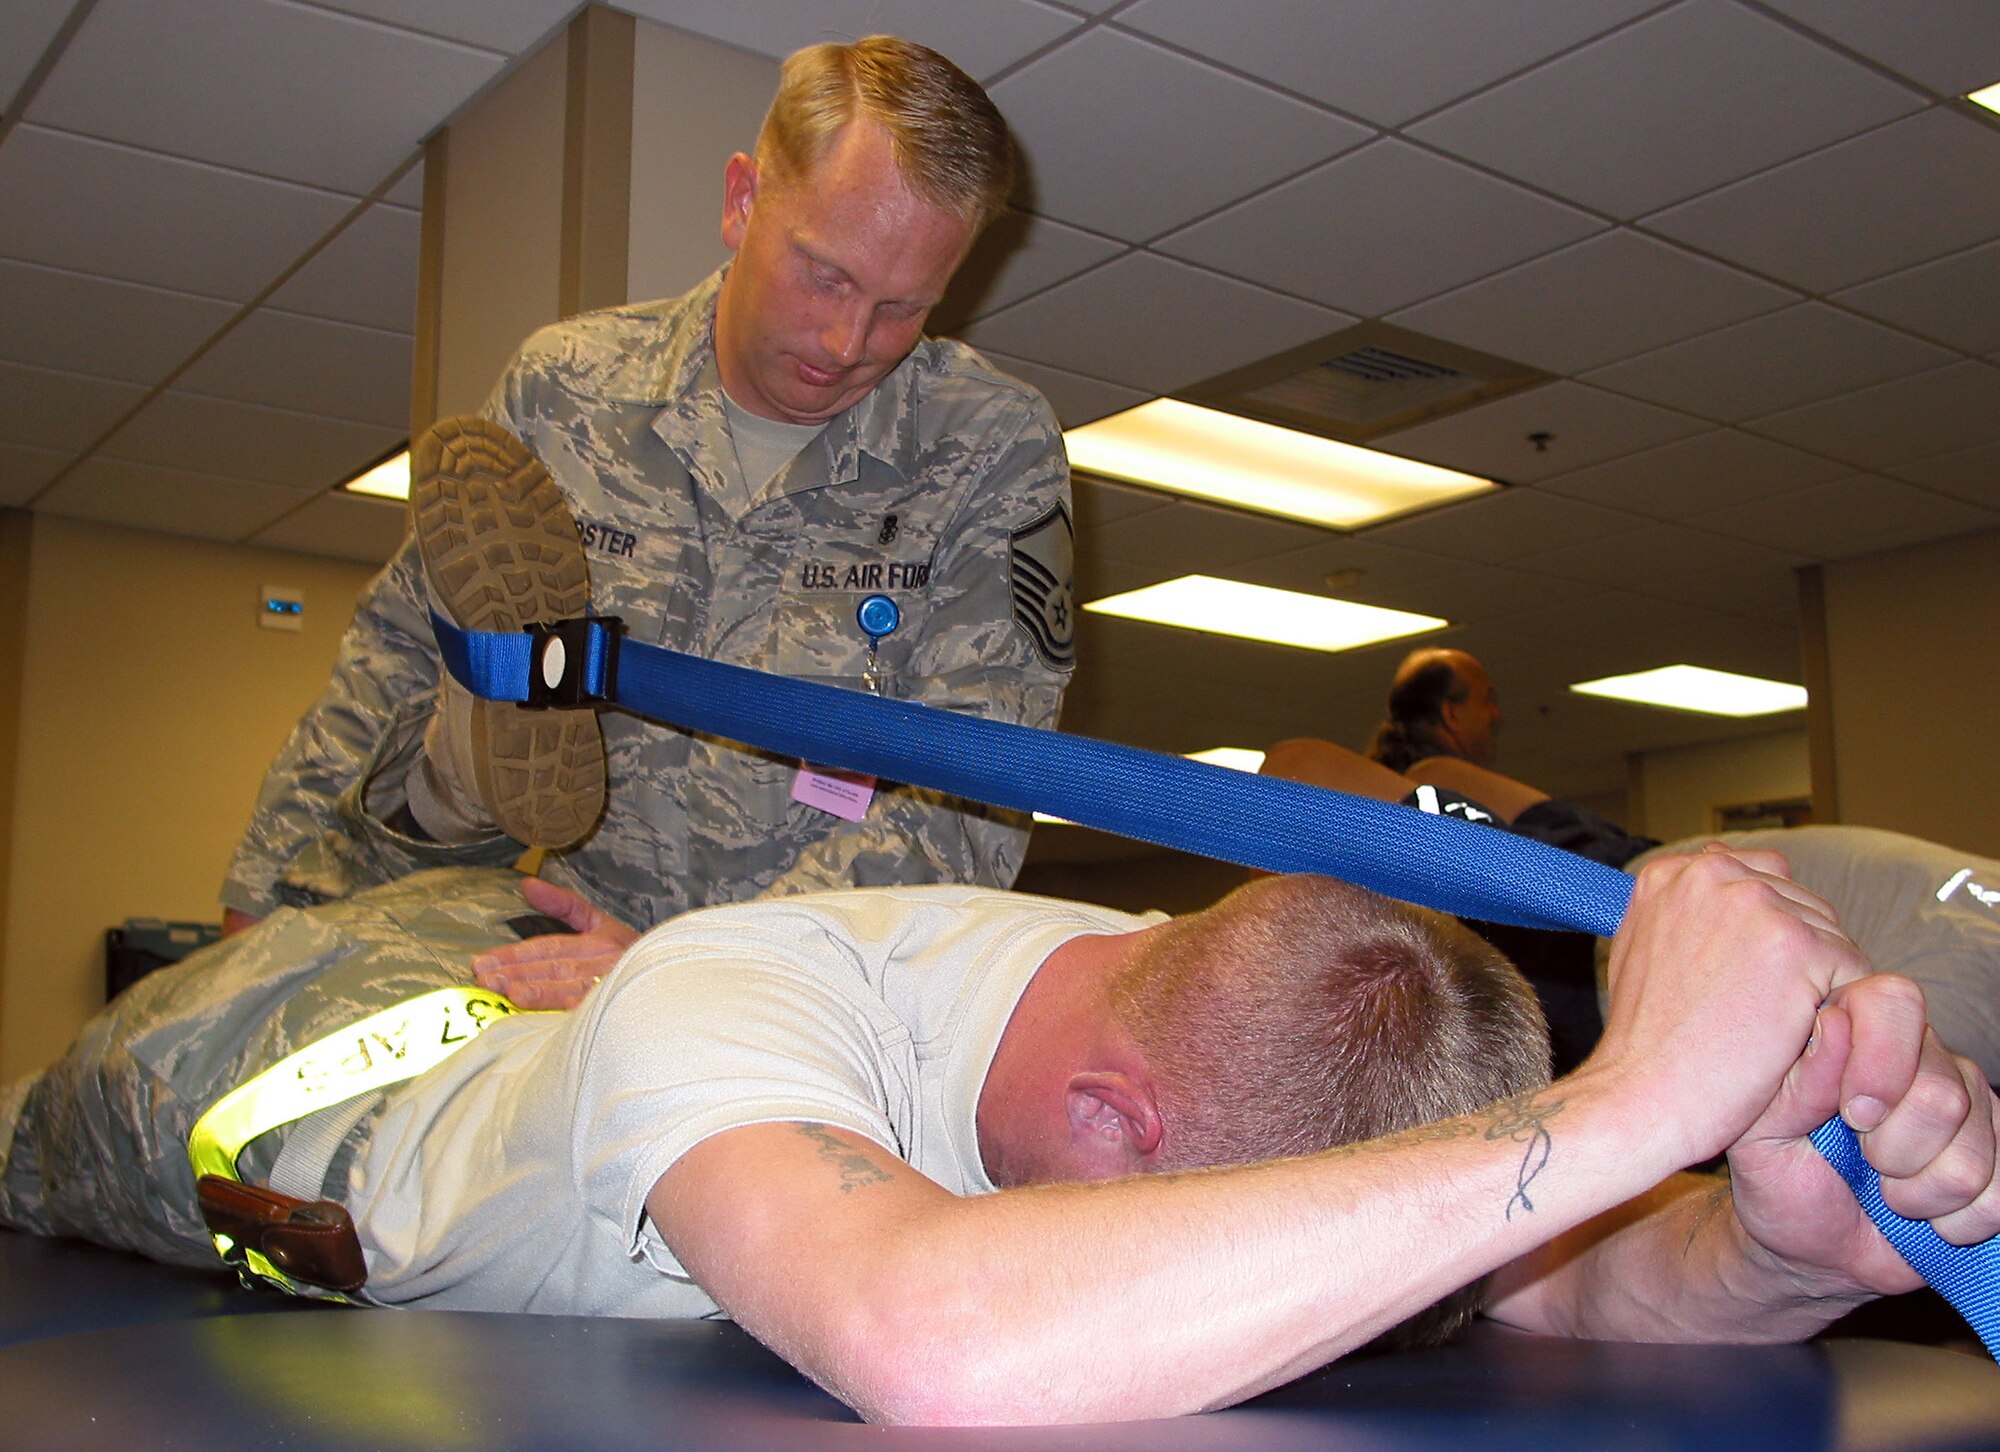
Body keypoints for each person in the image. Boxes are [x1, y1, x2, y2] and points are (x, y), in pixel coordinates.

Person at [5, 853, 1997, 1425]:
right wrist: (1629, 1103)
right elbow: (929, 1340)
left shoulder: (1184, 1008)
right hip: (309, 1102)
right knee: (56, 1117)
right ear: (1120, 1122)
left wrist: (1764, 1260)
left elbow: (1470, 1273)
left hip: (586, 1019)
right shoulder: (759, 987)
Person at [220, 37, 1074, 981]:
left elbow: (970, 803)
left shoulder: (991, 445)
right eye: (824, 276)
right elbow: (398, 650)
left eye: (904, 308)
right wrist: (269, 896)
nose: (847, 340)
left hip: (813, 1001)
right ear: (742, 200)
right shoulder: (571, 391)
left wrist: (683, 974)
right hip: (564, 950)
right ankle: (448, 799)